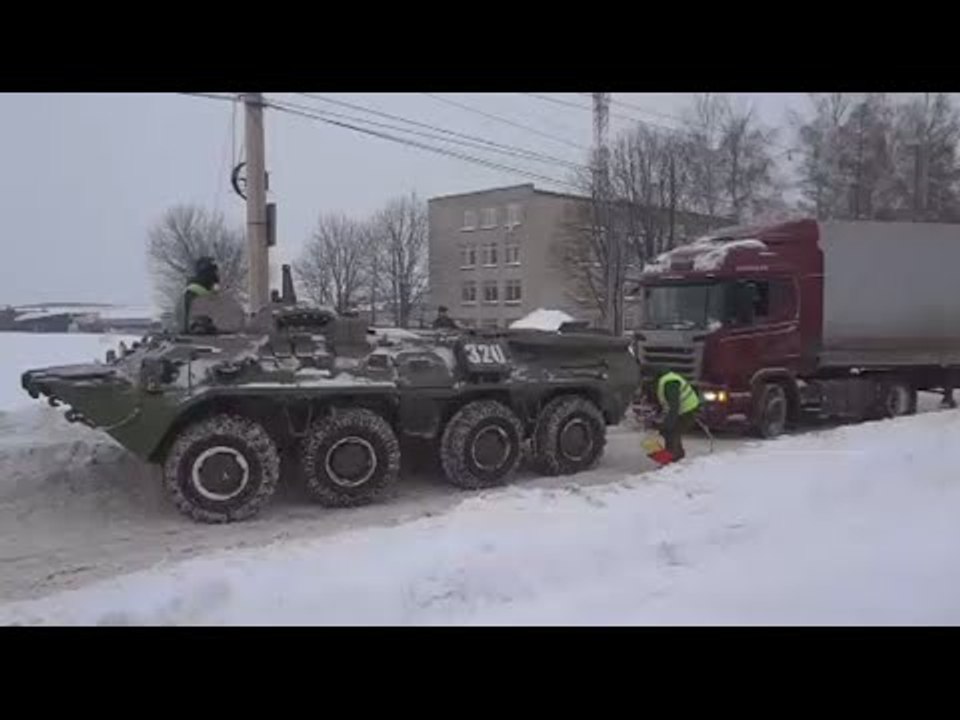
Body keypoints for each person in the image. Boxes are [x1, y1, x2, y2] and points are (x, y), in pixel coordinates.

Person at [645, 366, 701, 462]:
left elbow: (673, 408)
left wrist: (666, 424)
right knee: (668, 431)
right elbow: (664, 402)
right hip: (681, 409)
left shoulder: (669, 384)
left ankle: (673, 458)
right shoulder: (662, 381)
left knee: (672, 431)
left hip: (688, 410)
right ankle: (675, 457)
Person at [182, 256, 220, 333]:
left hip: (190, 291)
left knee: (189, 311)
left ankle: (188, 327)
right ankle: (200, 325)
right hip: (201, 293)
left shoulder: (196, 276)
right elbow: (215, 289)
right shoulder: (211, 275)